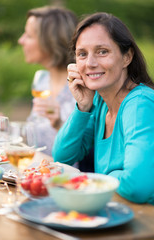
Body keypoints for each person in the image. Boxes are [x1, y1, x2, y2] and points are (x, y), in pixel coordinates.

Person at [52, 12, 154, 204]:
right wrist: (82, 107)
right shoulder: (100, 102)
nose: (90, 63)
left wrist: (99, 178)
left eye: (102, 51)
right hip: (118, 212)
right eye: (82, 54)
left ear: (127, 57)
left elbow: (138, 187)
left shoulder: (139, 105)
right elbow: (62, 156)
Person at [18, 6, 78, 156]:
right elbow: (35, 134)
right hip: (38, 170)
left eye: (29, 36)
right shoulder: (42, 80)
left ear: (50, 42)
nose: (21, 40)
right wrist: (5, 128)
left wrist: (59, 124)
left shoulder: (81, 85)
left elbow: (85, 148)